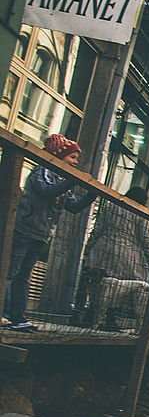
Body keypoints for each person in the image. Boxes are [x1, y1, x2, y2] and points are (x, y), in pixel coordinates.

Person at [2, 134, 95, 331]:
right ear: (58, 155)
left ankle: (17, 317)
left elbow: (74, 207)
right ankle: (7, 314)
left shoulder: (61, 180)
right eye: (72, 157)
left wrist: (91, 194)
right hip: (24, 230)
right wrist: (73, 180)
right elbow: (48, 191)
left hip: (41, 235)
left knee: (23, 275)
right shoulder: (42, 172)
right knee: (10, 272)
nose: (75, 162)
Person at [77, 185, 149, 328]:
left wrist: (89, 249)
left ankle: (85, 314)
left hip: (103, 248)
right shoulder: (141, 214)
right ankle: (110, 318)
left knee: (97, 284)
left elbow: (98, 228)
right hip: (127, 253)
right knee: (116, 289)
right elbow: (146, 239)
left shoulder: (110, 205)